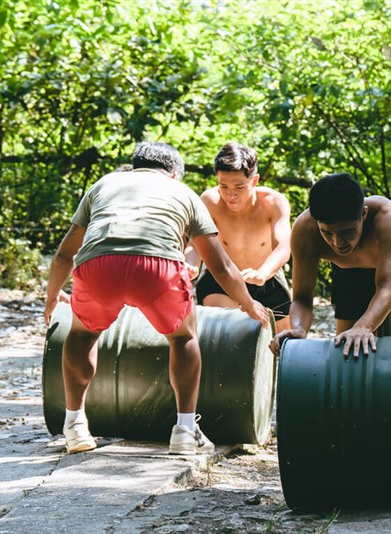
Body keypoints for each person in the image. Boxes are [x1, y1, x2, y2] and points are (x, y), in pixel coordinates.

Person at [44, 141, 270, 456]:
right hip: (158, 268)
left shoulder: (104, 185)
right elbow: (219, 265)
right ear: (174, 172)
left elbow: (64, 255)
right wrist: (248, 303)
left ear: (136, 166)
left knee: (81, 335)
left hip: (98, 265)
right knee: (183, 338)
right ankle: (184, 430)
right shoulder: (184, 193)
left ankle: (75, 424)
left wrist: (52, 298)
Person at [269, 172, 391, 358]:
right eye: (327, 233)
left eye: (346, 232)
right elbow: (301, 297)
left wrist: (364, 326)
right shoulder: (305, 229)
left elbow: (388, 289)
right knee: (347, 348)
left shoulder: (388, 218)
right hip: (348, 272)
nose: (337, 242)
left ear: (363, 214)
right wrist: (299, 329)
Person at [187, 143, 292, 333]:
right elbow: (195, 244)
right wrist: (190, 265)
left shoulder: (274, 202)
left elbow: (284, 247)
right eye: (223, 186)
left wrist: (263, 273)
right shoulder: (209, 201)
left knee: (286, 342)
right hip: (221, 279)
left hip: (266, 277)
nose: (230, 194)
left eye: (239, 186)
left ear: (254, 180)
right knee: (220, 333)